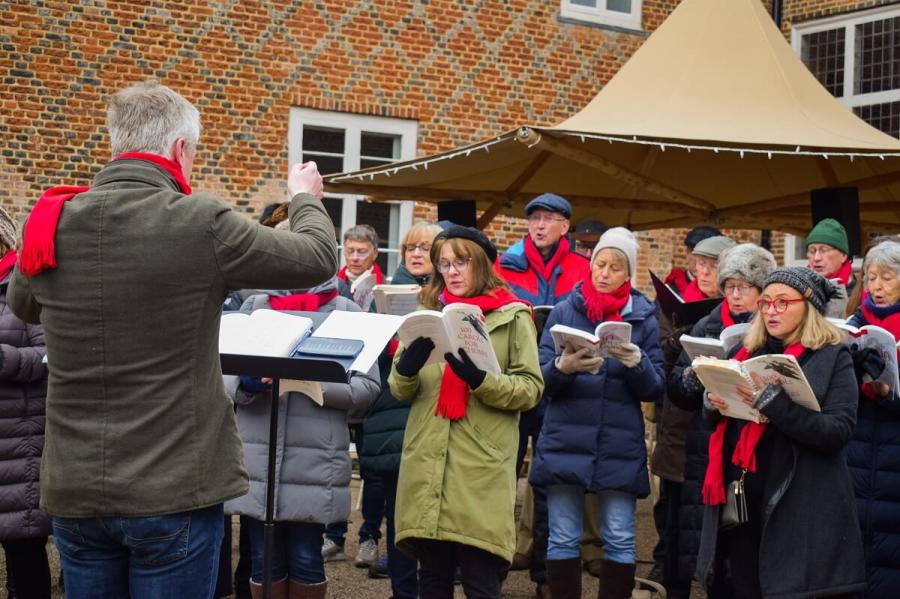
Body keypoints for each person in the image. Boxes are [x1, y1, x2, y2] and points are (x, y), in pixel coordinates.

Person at [7, 80, 338, 599]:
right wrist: (304, 198)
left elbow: (24, 303)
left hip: (75, 487)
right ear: (180, 151)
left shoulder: (50, 222)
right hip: (173, 486)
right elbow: (317, 258)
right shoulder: (199, 221)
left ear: (117, 144)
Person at [389, 226, 543, 599]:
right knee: (433, 582)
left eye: (461, 262)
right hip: (429, 460)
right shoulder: (427, 315)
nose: (452, 272)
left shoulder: (513, 316)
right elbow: (400, 388)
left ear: (482, 264)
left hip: (479, 466)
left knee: (480, 583)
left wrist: (481, 380)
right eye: (443, 264)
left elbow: (531, 389)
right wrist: (405, 369)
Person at [695, 267, 866, 598]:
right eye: (766, 303)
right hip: (740, 498)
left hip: (796, 503)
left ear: (809, 306)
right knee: (740, 584)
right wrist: (712, 402)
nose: (772, 310)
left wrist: (776, 405)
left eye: (783, 302)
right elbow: (715, 422)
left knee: (778, 587)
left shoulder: (833, 356)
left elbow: (837, 431)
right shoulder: (744, 351)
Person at [529, 227, 665, 599]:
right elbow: (538, 380)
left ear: (628, 274)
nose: (604, 273)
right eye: (599, 264)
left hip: (617, 441)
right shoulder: (564, 310)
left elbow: (655, 388)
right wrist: (563, 367)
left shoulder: (644, 318)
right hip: (565, 438)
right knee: (562, 536)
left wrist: (638, 363)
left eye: (615, 267)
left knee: (620, 537)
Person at [226, 276, 380, 599]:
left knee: (307, 559)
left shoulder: (346, 311)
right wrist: (248, 382)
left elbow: (368, 388)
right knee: (262, 561)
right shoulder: (256, 307)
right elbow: (221, 376)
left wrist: (317, 383)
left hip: (314, 463)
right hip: (258, 459)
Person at [660, 243, 776, 599]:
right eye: (729, 286)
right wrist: (691, 380)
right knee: (708, 543)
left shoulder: (773, 331)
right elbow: (677, 388)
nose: (735, 295)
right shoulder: (707, 325)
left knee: (745, 542)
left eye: (744, 287)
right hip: (707, 449)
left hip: (752, 454)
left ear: (761, 291)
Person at [494, 193, 589, 594]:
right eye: (534, 217)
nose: (538, 224)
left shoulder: (583, 268)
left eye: (548, 218)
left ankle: (545, 573)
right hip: (515, 379)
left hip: (558, 386)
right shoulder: (505, 265)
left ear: (565, 225)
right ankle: (491, 565)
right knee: (500, 475)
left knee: (551, 482)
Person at [358, 221, 444, 598]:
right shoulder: (386, 295)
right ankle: (403, 590)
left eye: (424, 248)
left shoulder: (451, 296)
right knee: (398, 513)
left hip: (435, 413)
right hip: (393, 414)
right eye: (410, 247)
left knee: (436, 514)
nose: (415, 254)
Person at [0, 209, 52, 599]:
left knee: (24, 558)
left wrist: (4, 359)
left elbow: (48, 355)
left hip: (20, 445)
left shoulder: (26, 285)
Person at [844, 239, 900, 598]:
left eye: (887, 277)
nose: (876, 286)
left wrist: (888, 395)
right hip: (857, 451)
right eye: (871, 277)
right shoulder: (853, 323)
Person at [665, 226, 722, 295]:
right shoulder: (672, 288)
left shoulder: (725, 289)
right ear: (687, 253)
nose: (697, 260)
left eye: (705, 255)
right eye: (694, 252)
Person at [680, 235, 735, 301]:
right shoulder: (687, 297)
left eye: (715, 266)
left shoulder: (745, 306)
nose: (705, 272)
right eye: (701, 263)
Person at [337, 224, 383, 298]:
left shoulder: (386, 287)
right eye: (350, 251)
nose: (355, 258)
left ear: (375, 254)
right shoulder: (332, 285)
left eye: (362, 252)